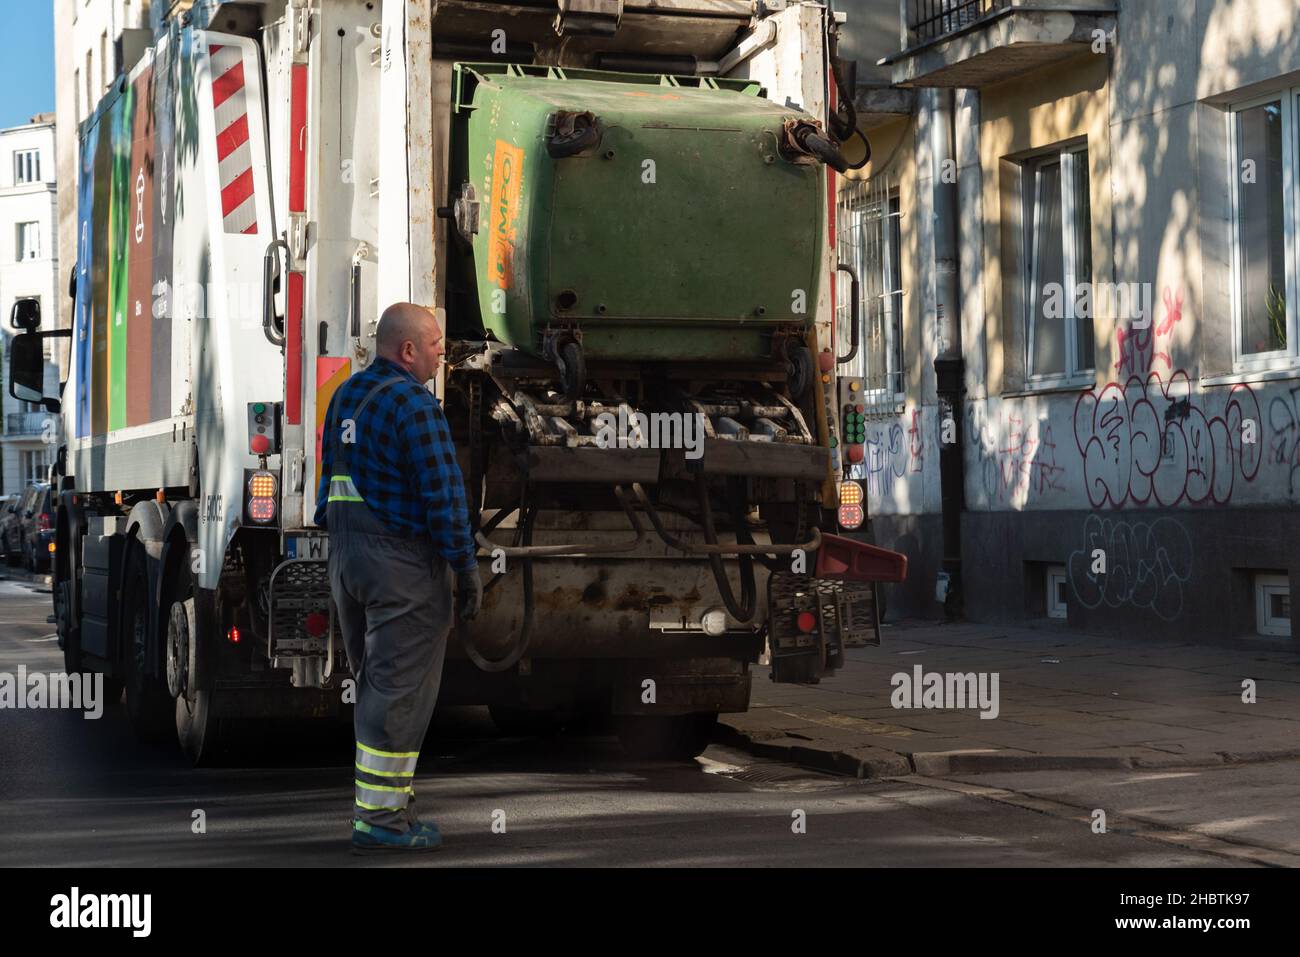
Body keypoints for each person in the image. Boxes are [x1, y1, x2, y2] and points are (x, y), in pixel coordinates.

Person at [315, 302, 482, 853]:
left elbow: (328, 484)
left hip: (347, 561)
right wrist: (465, 566)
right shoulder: (414, 404)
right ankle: (380, 823)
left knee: (377, 689)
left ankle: (386, 812)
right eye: (435, 344)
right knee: (399, 696)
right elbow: (444, 496)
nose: (442, 352)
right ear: (407, 350)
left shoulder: (345, 395)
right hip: (401, 569)